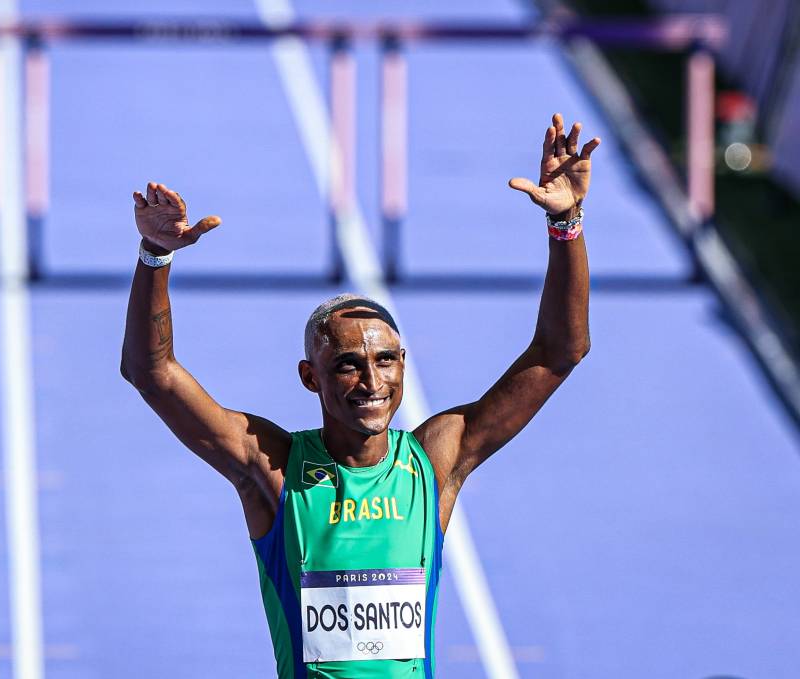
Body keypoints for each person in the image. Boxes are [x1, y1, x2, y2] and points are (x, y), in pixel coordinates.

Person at [121, 113, 600, 678]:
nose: (372, 383)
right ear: (310, 377)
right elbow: (151, 372)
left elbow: (558, 353)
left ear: (402, 366)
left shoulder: (435, 461)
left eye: (385, 361)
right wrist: (156, 255)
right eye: (347, 365)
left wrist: (566, 221)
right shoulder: (272, 467)